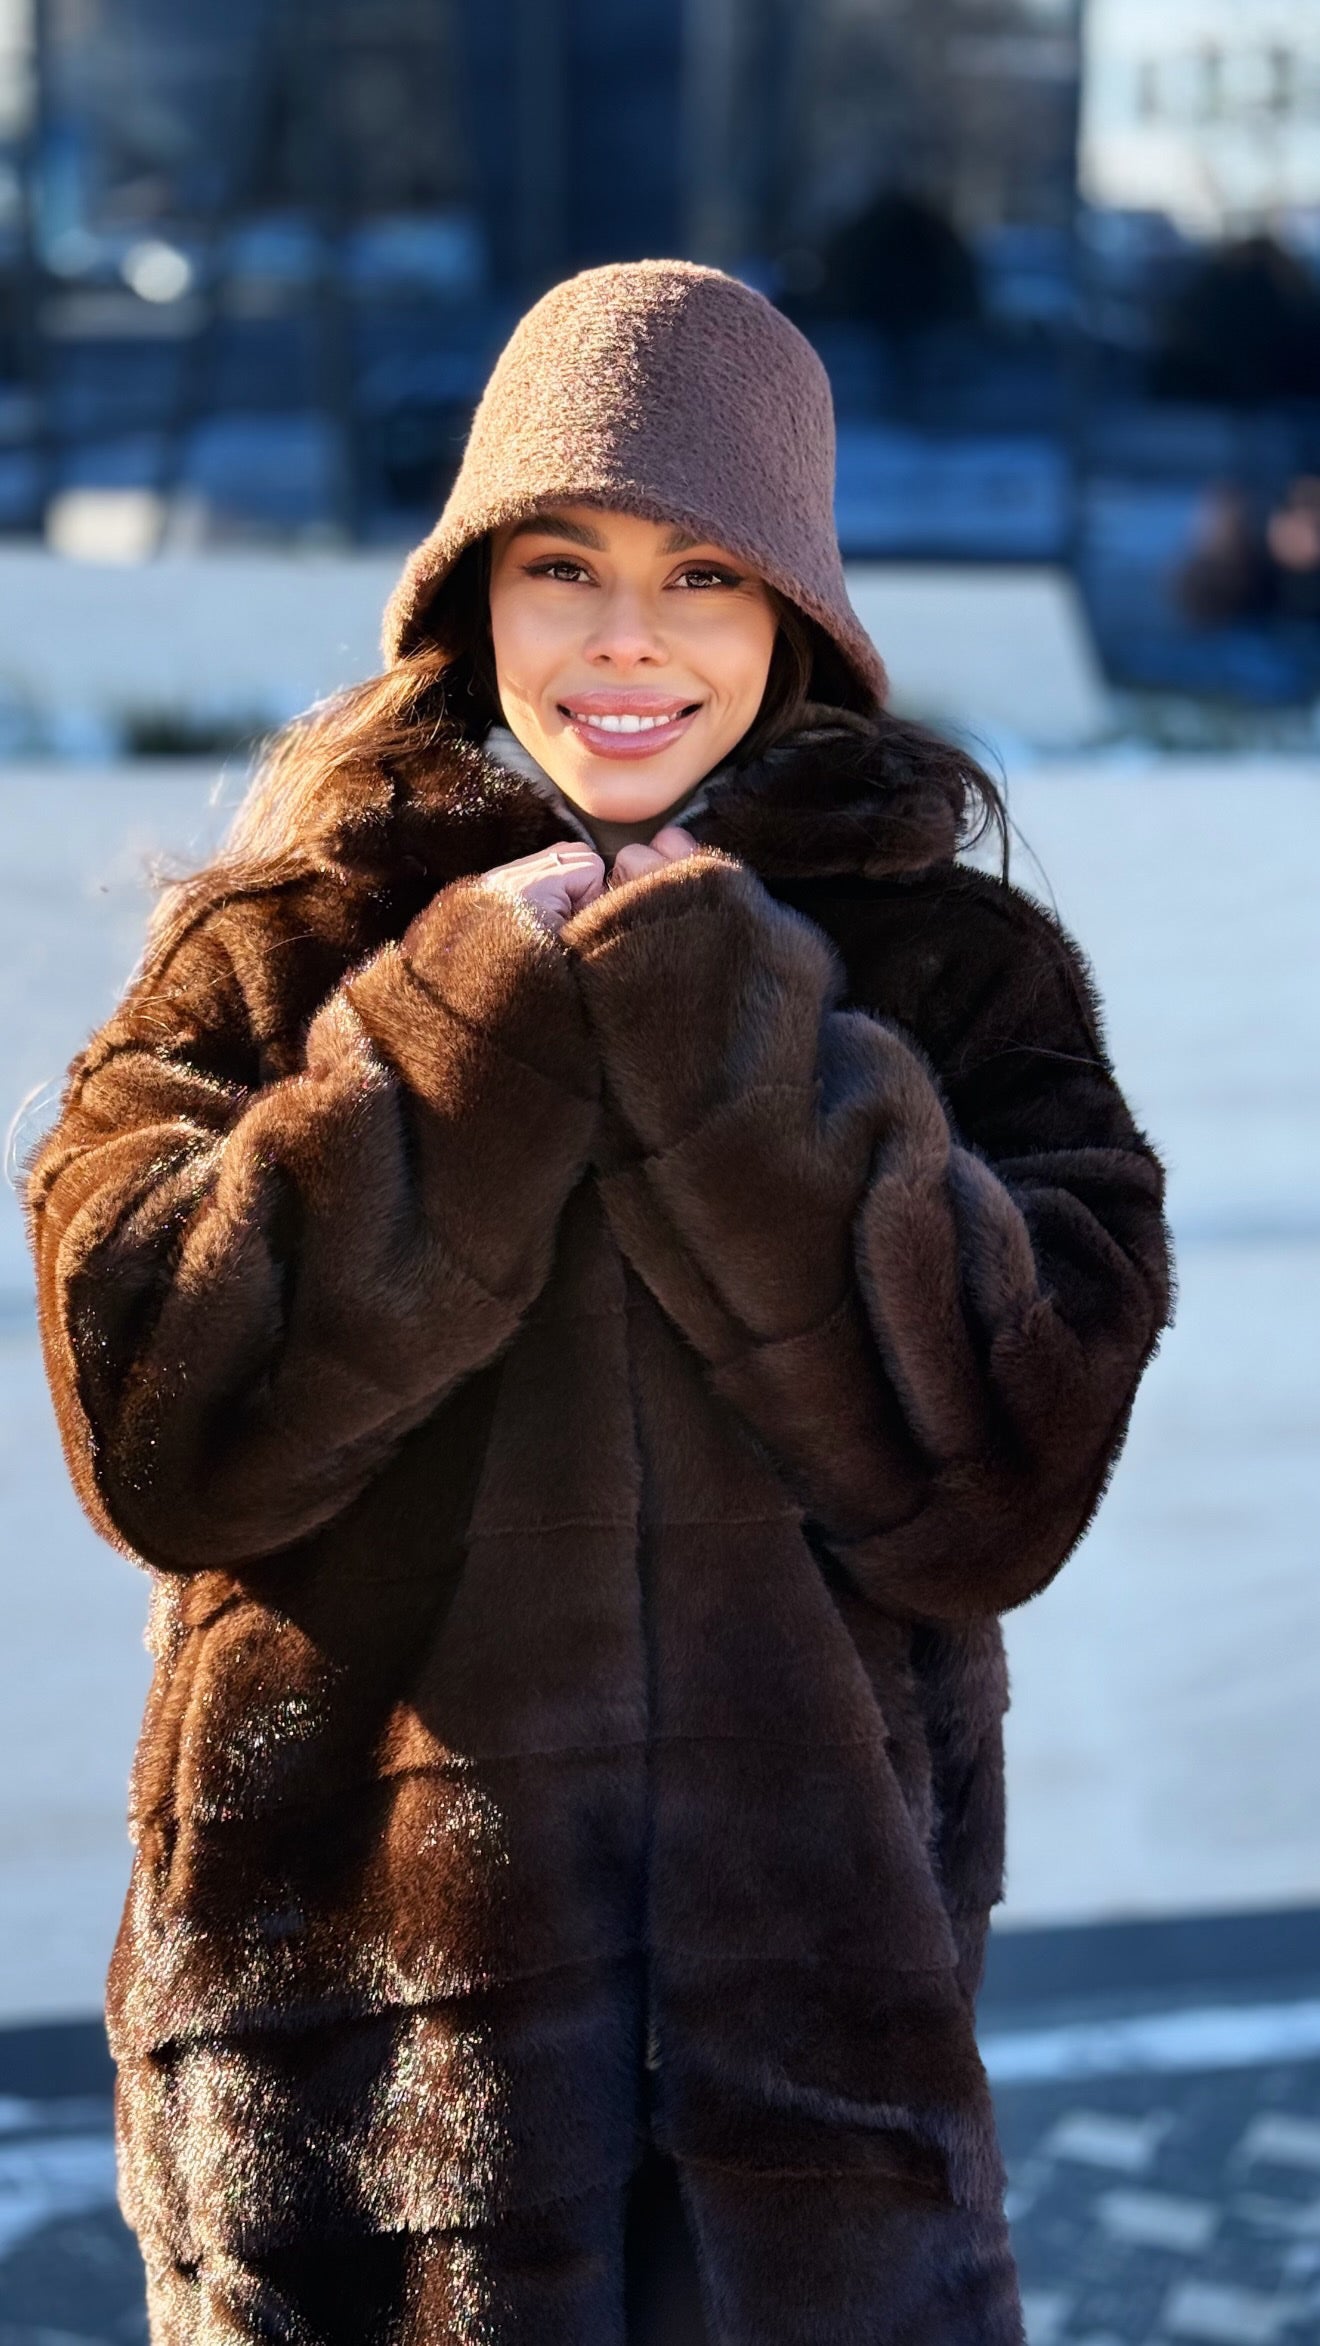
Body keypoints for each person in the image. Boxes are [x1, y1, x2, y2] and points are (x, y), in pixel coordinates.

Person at [25, 260, 1174, 2344]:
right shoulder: (276, 951)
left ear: (795, 616)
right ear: (473, 593)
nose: (627, 638)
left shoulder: (962, 979)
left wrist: (728, 1023)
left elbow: (1001, 1487)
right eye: (563, 566)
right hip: (351, 2127)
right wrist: (464, 1026)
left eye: (703, 574)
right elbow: (162, 1439)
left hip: (803, 2137)